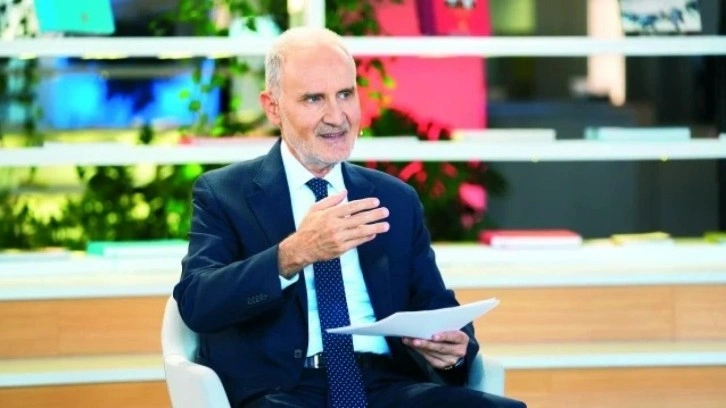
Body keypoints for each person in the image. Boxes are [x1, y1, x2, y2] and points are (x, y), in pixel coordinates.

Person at [173, 26, 526, 408]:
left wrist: (454, 349)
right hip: (285, 390)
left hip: (388, 385)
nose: (337, 116)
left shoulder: (395, 198)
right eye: (314, 99)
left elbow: (435, 304)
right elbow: (197, 302)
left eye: (345, 94)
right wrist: (292, 254)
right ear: (273, 107)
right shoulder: (225, 193)